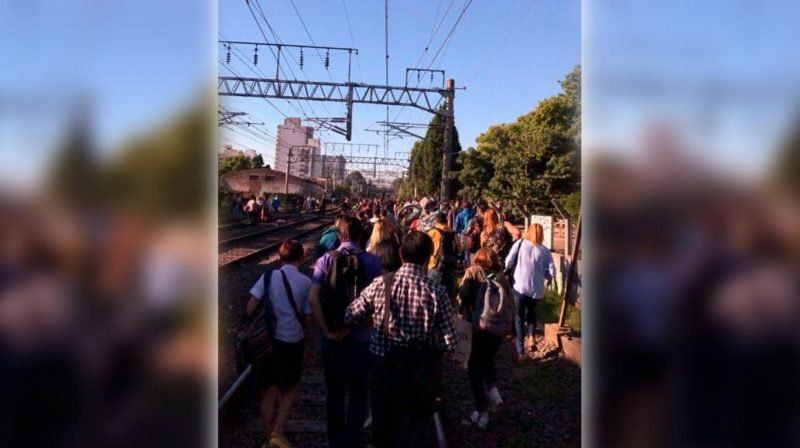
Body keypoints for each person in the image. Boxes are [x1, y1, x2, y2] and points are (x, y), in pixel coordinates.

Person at [344, 230, 458, 448]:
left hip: (383, 367)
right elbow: (450, 342)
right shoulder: (437, 291)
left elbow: (350, 315)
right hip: (420, 373)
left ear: (401, 254)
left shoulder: (381, 284)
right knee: (415, 431)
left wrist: (375, 321)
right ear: (428, 257)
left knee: (383, 429)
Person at [308, 216, 383, 448]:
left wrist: (327, 331)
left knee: (335, 395)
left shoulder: (324, 261)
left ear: (340, 235)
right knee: (359, 394)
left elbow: (313, 299)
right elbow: (378, 302)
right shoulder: (373, 262)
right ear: (362, 235)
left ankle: (335, 442)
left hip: (333, 338)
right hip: (362, 339)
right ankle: (353, 441)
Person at [245, 240, 315, 448]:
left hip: (268, 342)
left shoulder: (267, 277)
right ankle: (278, 432)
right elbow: (308, 316)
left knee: (269, 389)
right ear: (301, 258)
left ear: (279, 257)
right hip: (293, 340)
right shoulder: (305, 282)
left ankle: (268, 438)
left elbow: (250, 307)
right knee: (290, 387)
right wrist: (311, 344)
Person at [457, 248, 515, 429]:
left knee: (474, 368)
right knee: (487, 362)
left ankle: (482, 411)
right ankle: (495, 394)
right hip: (496, 331)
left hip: (477, 328)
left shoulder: (473, 272)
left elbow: (463, 297)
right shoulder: (500, 277)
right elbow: (510, 303)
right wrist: (510, 327)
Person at [504, 223, 555, 362]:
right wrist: (546, 277)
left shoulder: (520, 243)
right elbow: (551, 271)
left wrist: (507, 268)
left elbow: (508, 261)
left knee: (519, 317)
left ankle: (521, 351)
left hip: (519, 286)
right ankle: (532, 337)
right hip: (536, 290)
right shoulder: (545, 251)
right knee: (531, 312)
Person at [427, 212, 461, 295]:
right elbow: (459, 249)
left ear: (436, 221)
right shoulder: (453, 234)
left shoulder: (431, 232)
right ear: (446, 220)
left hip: (434, 265)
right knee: (448, 295)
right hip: (449, 267)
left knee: (433, 295)